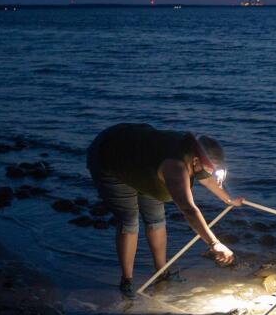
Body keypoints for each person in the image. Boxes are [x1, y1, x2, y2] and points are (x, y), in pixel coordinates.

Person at [86, 123, 242, 297]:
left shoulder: (193, 154)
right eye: (206, 170)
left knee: (156, 219)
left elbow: (205, 178)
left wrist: (228, 199)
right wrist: (215, 243)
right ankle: (127, 281)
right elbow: (189, 210)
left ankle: (162, 273)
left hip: (145, 162)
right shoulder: (175, 167)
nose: (207, 174)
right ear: (195, 160)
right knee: (130, 221)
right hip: (112, 155)